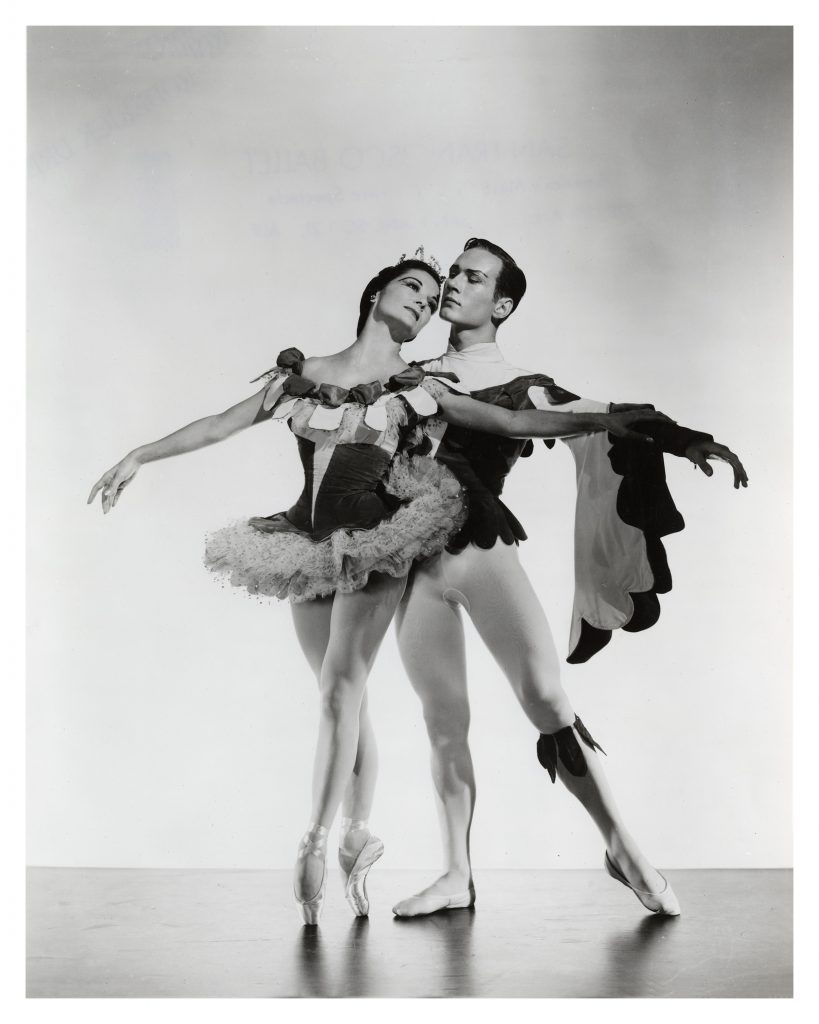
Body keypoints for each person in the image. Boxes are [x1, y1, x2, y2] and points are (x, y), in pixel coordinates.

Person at [87, 248, 671, 926]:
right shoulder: (325, 377)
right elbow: (221, 423)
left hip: (417, 542)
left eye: (443, 291)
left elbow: (520, 420)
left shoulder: (436, 385)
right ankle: (386, 846)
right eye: (419, 286)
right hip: (339, 549)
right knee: (373, 706)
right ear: (376, 294)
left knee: (427, 692)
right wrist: (138, 454)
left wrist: (617, 423)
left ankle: (320, 841)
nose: (433, 296)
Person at [390, 238, 748, 918]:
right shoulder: (405, 371)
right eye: (452, 274)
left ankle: (620, 846)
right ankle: (455, 876)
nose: (453, 284)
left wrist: (680, 438)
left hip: (478, 547)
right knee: (442, 720)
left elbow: (592, 414)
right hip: (410, 566)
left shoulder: (521, 381)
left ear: (501, 303)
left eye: (472, 277)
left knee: (547, 700)